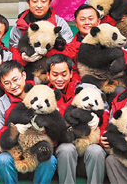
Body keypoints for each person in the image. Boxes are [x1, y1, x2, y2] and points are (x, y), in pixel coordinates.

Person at [46, 55, 107, 184]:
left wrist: (99, 118)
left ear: (71, 74)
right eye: (55, 74)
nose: (60, 79)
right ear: (48, 75)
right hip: (62, 149)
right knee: (66, 148)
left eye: (64, 74)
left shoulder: (83, 90)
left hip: (86, 145)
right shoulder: (44, 94)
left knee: (96, 150)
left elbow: (103, 110)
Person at [0, 60, 57, 184]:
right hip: (14, 153)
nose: (13, 85)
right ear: (2, 84)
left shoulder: (42, 94)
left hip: (37, 151)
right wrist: (13, 132)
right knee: (3, 159)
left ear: (24, 75)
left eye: (15, 79)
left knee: (50, 159)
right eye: (7, 83)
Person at [9, 0, 73, 65]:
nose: (39, 5)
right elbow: (13, 51)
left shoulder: (59, 23)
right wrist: (23, 58)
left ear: (49, 2)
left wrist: (47, 53)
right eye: (34, 1)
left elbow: (70, 51)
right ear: (28, 2)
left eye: (43, 1)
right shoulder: (19, 25)